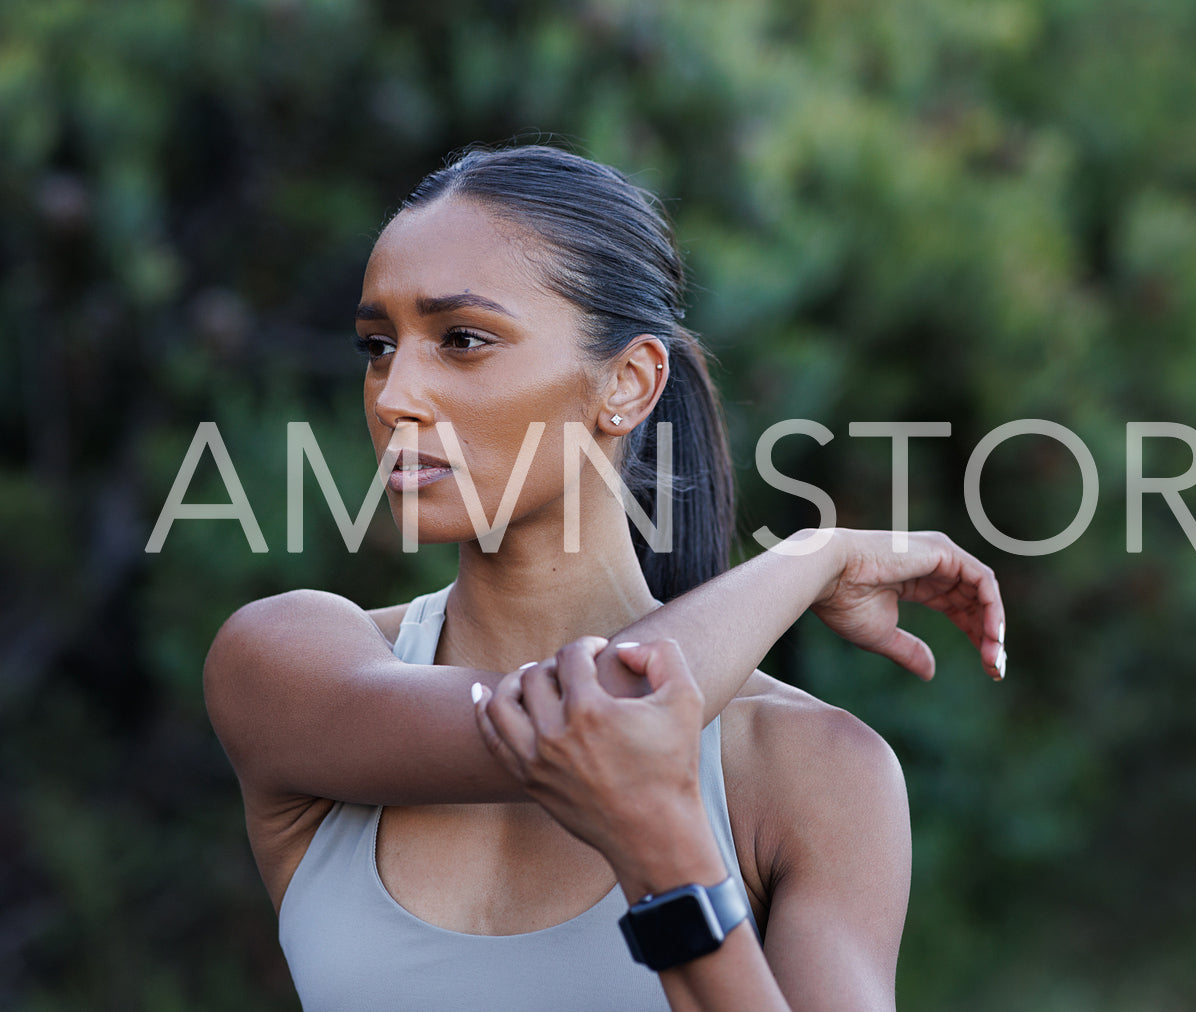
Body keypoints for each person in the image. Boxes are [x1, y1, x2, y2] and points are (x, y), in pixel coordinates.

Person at [204, 144, 1006, 1011]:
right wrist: (812, 559)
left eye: (462, 340)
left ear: (626, 384)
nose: (394, 394)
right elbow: (586, 719)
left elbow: (607, 721)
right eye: (377, 345)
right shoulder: (286, 662)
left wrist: (671, 864)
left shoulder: (809, 771)